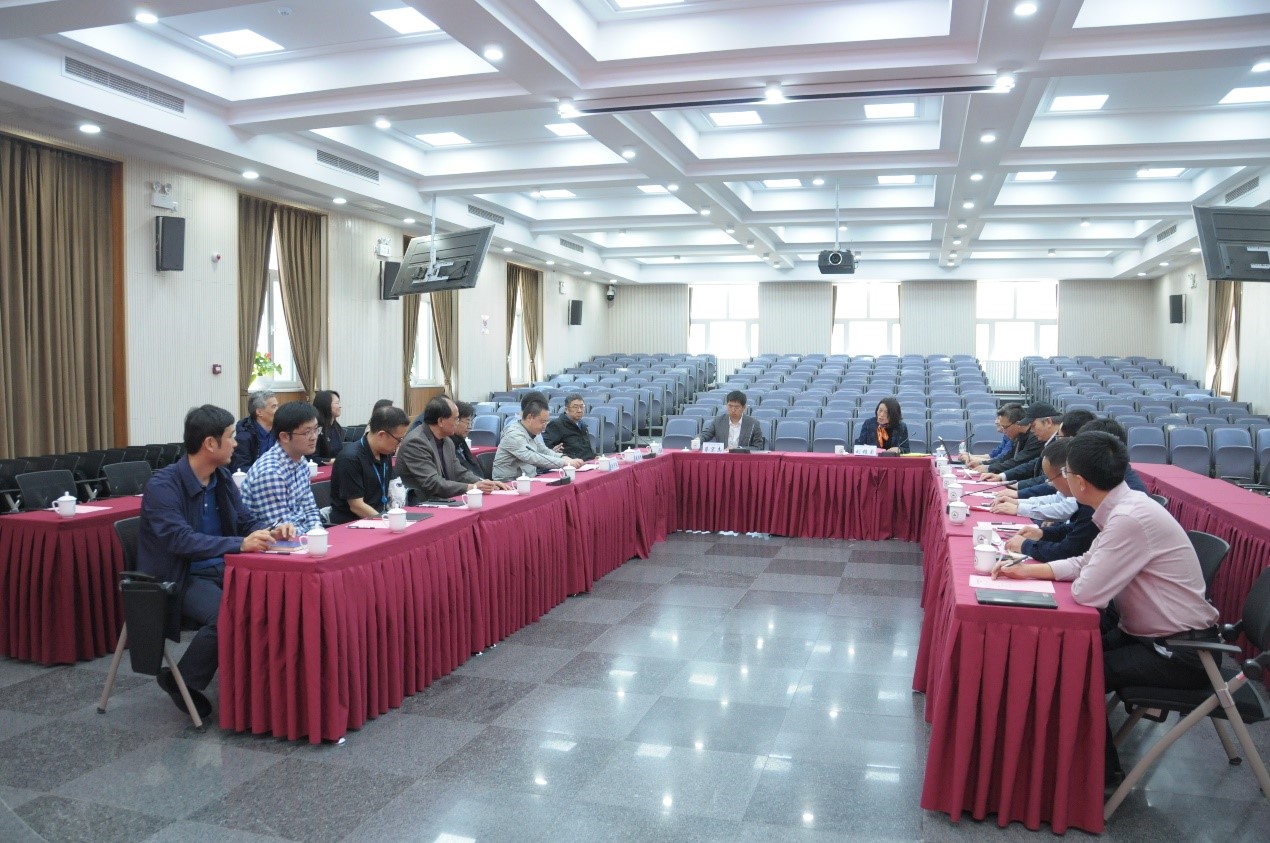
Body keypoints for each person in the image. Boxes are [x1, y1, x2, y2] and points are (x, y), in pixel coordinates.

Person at [991, 430, 1219, 783]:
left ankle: (1099, 777)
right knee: (1060, 655)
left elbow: (1087, 591)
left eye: (1065, 474)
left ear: (1080, 482)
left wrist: (1041, 570)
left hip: (1179, 651)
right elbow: (1086, 562)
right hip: (1147, 635)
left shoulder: (1130, 518)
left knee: (1073, 670)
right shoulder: (1123, 507)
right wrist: (1026, 571)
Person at [137, 405, 294, 719]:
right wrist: (239, 544)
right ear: (210, 443)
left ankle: (264, 687)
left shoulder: (220, 477)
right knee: (228, 613)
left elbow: (244, 521)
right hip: (179, 576)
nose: (236, 443)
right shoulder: (163, 486)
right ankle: (184, 680)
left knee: (277, 599)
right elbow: (180, 540)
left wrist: (270, 531)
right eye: (230, 437)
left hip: (223, 567)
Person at [1001, 438, 1098, 562]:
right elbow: (1075, 529)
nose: (1050, 484)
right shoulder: (1089, 501)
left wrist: (1026, 546)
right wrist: (1042, 533)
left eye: (1051, 479)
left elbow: (1069, 551)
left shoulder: (1096, 505)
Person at [397, 397, 510, 500]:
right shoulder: (416, 442)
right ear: (441, 421)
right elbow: (432, 483)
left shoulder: (447, 441)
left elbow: (459, 472)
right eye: (456, 419)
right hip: (421, 503)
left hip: (444, 499)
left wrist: (485, 483)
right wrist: (473, 487)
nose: (457, 423)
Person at [240, 401, 324, 535]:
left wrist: (317, 532)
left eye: (316, 429)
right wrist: (310, 535)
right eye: (307, 432)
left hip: (301, 536)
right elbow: (283, 530)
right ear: (284, 436)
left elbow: (310, 509)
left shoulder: (301, 461)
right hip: (272, 543)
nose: (314, 437)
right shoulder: (270, 473)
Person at [329, 405, 409, 524]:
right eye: (398, 439)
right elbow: (357, 506)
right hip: (352, 524)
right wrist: (387, 522)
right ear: (382, 435)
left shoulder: (384, 453)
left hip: (378, 518)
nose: (399, 444)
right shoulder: (350, 458)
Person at [493, 399, 584, 480]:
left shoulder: (531, 431)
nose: (545, 426)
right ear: (530, 418)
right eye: (542, 422)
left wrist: (564, 457)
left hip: (528, 478)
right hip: (507, 482)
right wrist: (564, 463)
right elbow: (532, 457)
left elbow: (544, 451)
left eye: (546, 422)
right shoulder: (513, 434)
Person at [978, 402, 1065, 484]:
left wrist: (1018, 488)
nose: (1031, 430)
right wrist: (998, 473)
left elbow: (1047, 479)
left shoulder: (1059, 441)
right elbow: (1031, 463)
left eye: (1033, 426)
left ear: (1048, 422)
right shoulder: (1021, 437)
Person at [230, 390, 279, 472]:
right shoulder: (243, 438)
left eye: (277, 406)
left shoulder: (280, 430)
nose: (278, 410)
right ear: (259, 412)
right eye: (274, 407)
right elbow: (240, 469)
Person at [963, 404, 1024, 469]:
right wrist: (974, 459)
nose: (996, 422)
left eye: (998, 419)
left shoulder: (1020, 439)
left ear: (1017, 424)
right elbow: (996, 457)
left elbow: (1002, 461)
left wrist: (973, 459)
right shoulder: (1009, 436)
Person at [700, 390, 766, 450]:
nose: (733, 410)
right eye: (730, 406)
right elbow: (705, 434)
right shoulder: (718, 421)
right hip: (723, 458)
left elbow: (758, 447)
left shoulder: (753, 424)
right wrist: (698, 439)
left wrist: (738, 449)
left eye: (736, 407)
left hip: (743, 458)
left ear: (744, 408)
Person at [543, 393, 596, 460]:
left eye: (582, 407)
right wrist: (553, 451)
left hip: (587, 462)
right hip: (569, 463)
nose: (579, 410)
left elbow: (586, 449)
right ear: (566, 409)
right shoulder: (556, 424)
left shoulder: (583, 425)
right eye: (575, 407)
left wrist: (595, 456)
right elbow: (545, 449)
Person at [451, 401, 484, 477]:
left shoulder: (461, 441)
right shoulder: (448, 443)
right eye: (467, 422)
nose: (469, 427)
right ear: (456, 420)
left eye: (470, 422)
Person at [312, 389, 344, 464]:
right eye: (337, 403)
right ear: (326, 405)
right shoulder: (315, 429)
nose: (340, 406)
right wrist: (332, 461)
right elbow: (312, 458)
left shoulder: (337, 427)